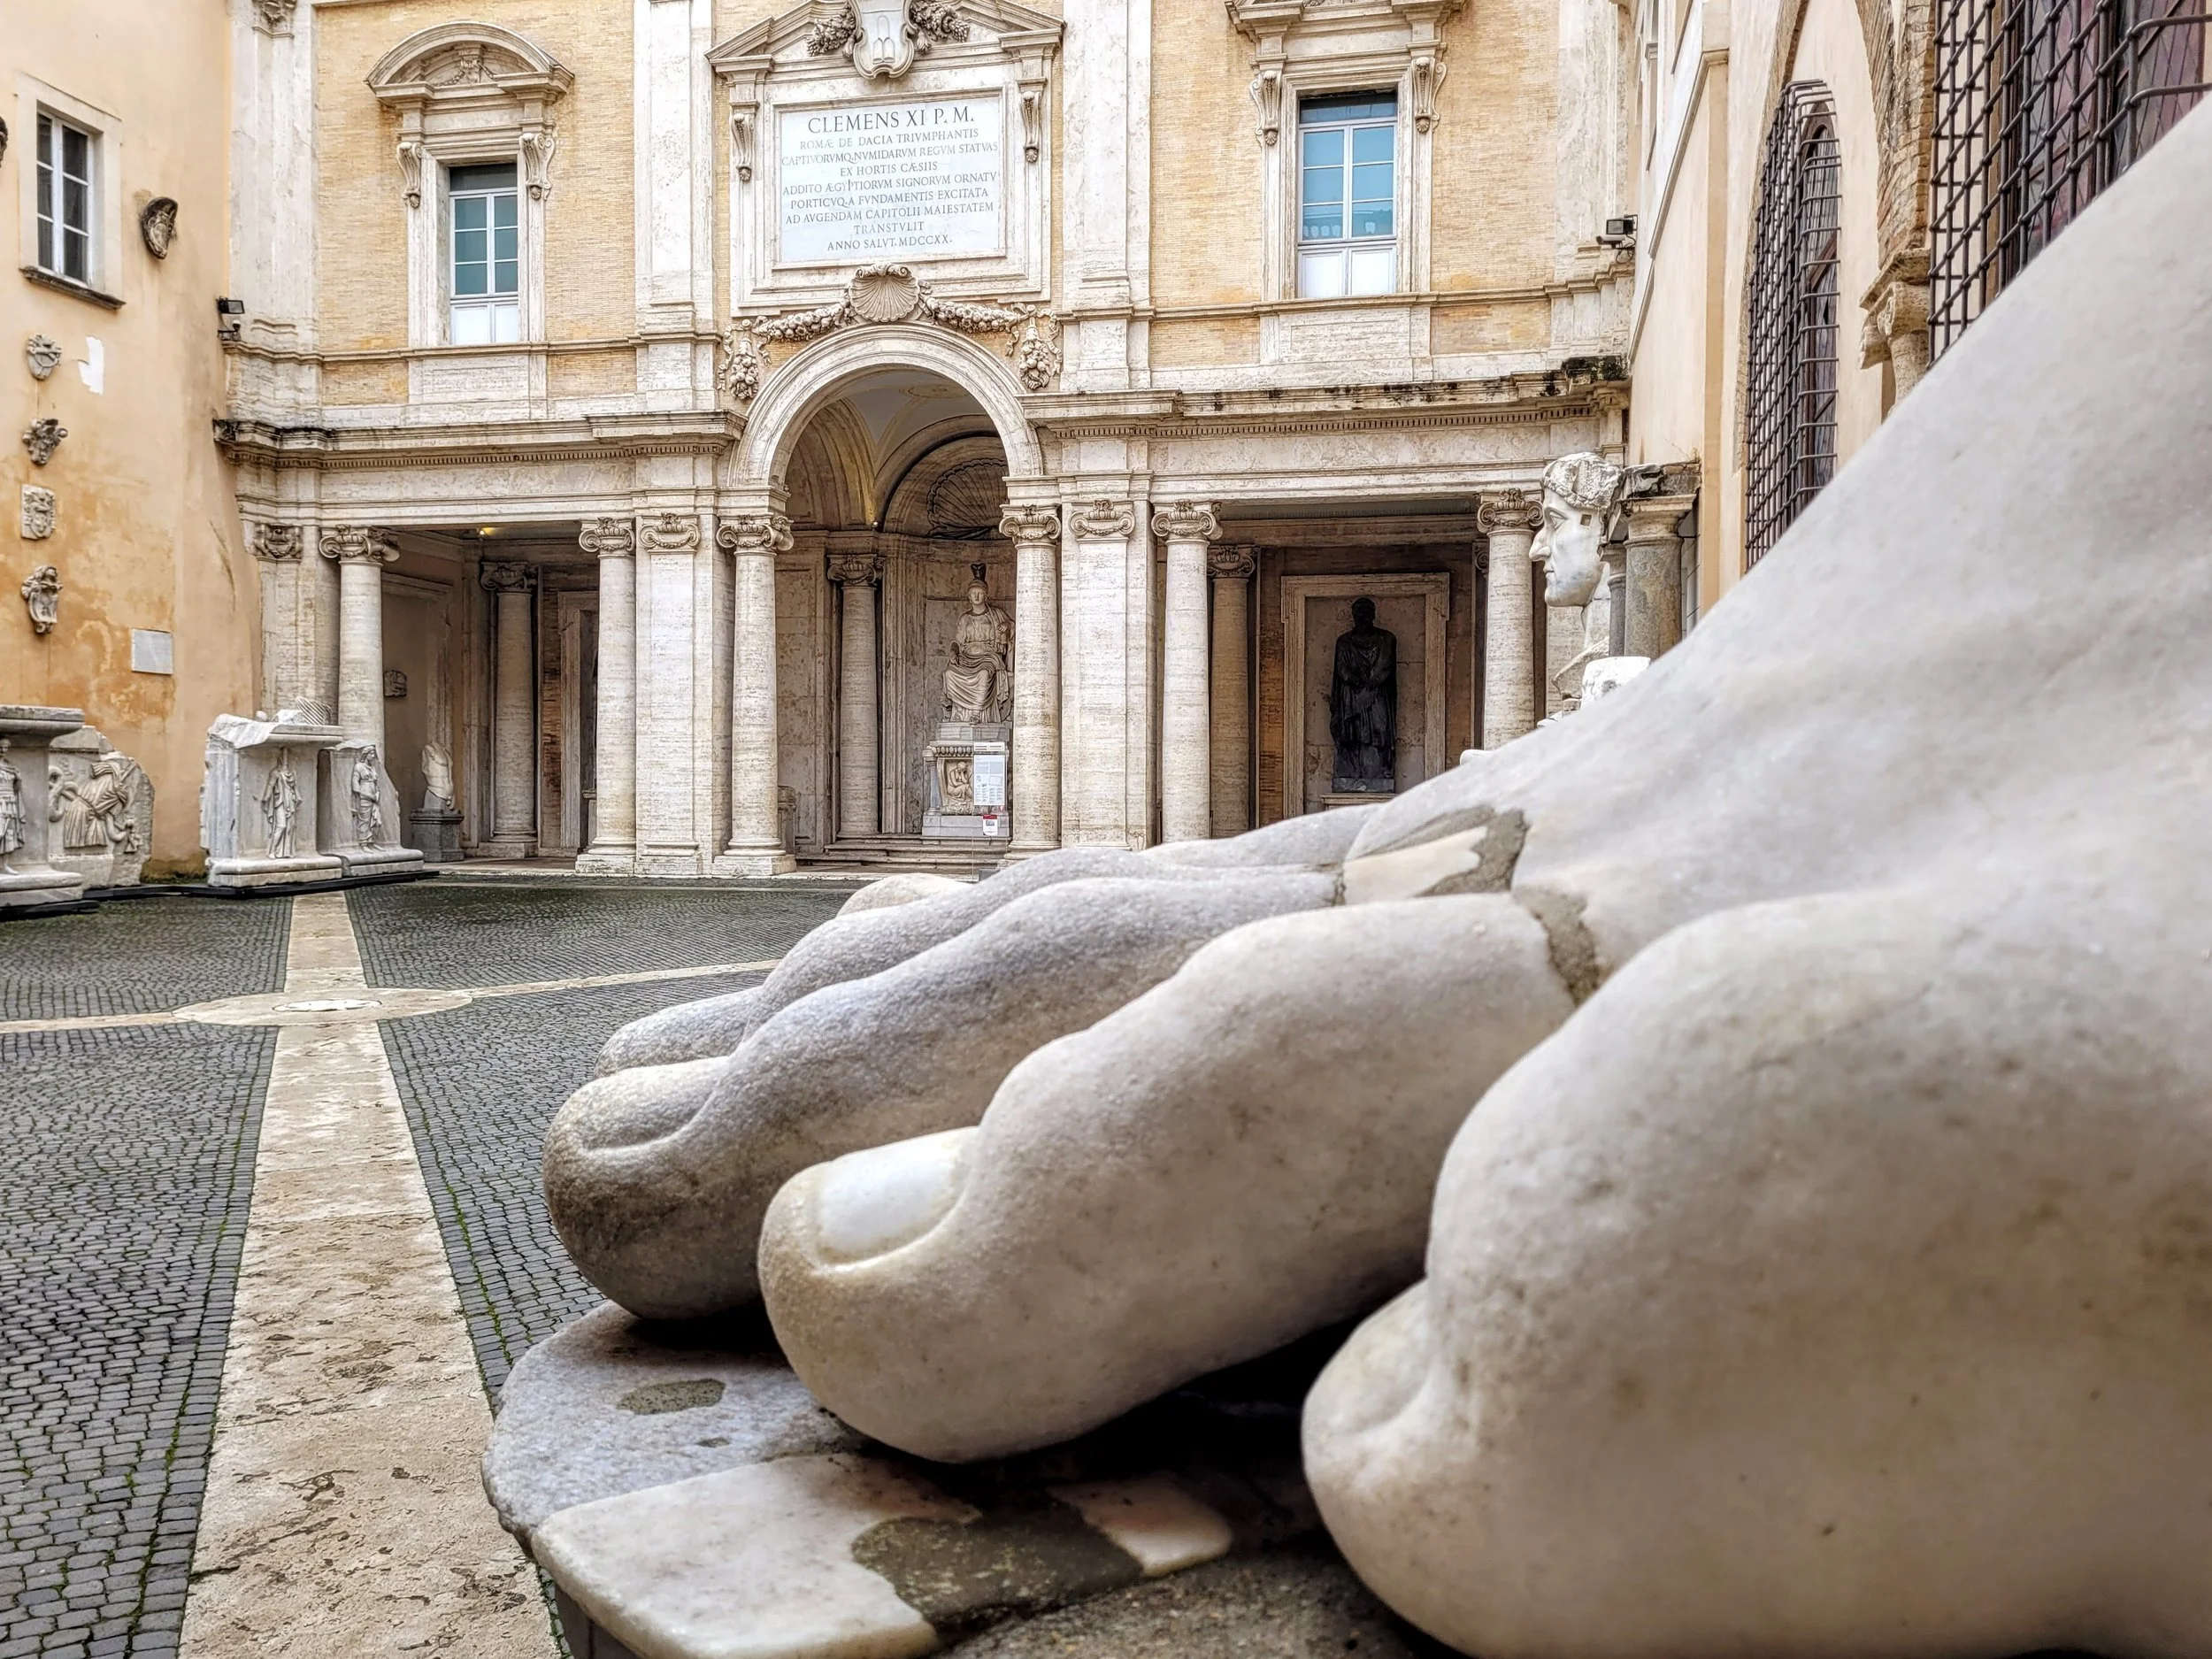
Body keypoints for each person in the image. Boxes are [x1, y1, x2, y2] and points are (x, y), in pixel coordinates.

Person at [1329, 597, 1397, 792]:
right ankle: (1349, 772)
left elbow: (1387, 666)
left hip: (1377, 695)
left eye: (1367, 613)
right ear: (1353, 616)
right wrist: (1358, 683)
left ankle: (1382, 770)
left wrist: (1371, 685)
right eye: (1359, 614)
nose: (1363, 617)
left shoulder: (1387, 639)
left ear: (1373, 615)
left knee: (1380, 731)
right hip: (1351, 696)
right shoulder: (1343, 642)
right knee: (1350, 734)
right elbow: (1341, 669)